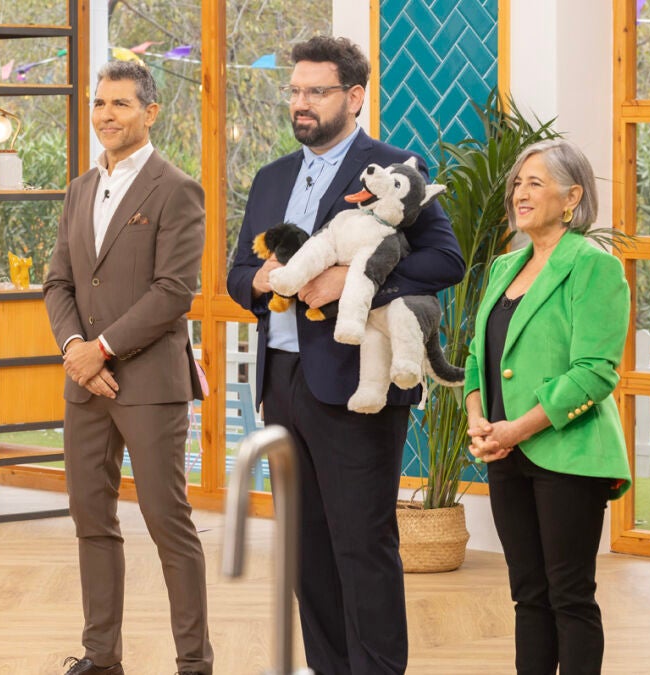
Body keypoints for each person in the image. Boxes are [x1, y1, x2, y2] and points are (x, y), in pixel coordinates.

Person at [226, 36, 464, 675]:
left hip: (359, 382)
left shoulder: (392, 167)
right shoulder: (271, 177)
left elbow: (445, 259)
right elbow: (236, 274)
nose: (300, 103)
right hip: (281, 382)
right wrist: (260, 281)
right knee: (304, 549)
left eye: (316, 91)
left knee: (361, 543)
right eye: (295, 91)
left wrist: (353, 280)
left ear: (354, 97)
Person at [43, 61, 213, 675]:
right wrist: (76, 351)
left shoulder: (177, 188)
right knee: (91, 519)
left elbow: (174, 291)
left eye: (120, 104)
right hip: (85, 384)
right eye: (99, 103)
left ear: (150, 112)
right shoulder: (79, 189)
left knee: (168, 523)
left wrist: (103, 349)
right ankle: (100, 657)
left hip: (149, 384)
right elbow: (59, 282)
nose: (106, 115)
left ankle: (193, 663)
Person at [464, 139, 631, 674]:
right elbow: (477, 357)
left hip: (570, 455)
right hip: (505, 455)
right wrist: (478, 419)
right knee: (528, 594)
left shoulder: (594, 266)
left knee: (570, 596)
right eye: (518, 183)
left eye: (535, 183)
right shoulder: (503, 267)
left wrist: (518, 428)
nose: (520, 193)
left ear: (572, 197)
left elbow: (594, 372)